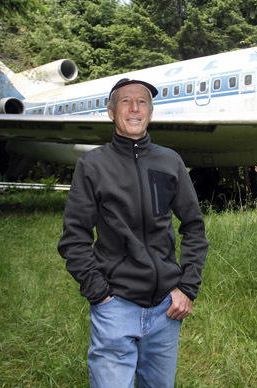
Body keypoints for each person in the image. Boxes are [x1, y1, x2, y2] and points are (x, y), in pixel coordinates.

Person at [57, 78, 209, 388]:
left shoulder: (170, 161)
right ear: (111, 112)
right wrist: (99, 294)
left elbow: (193, 226)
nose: (135, 107)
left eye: (142, 101)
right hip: (116, 305)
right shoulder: (92, 166)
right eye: (126, 101)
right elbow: (74, 238)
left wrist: (187, 287)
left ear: (151, 112)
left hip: (167, 309)